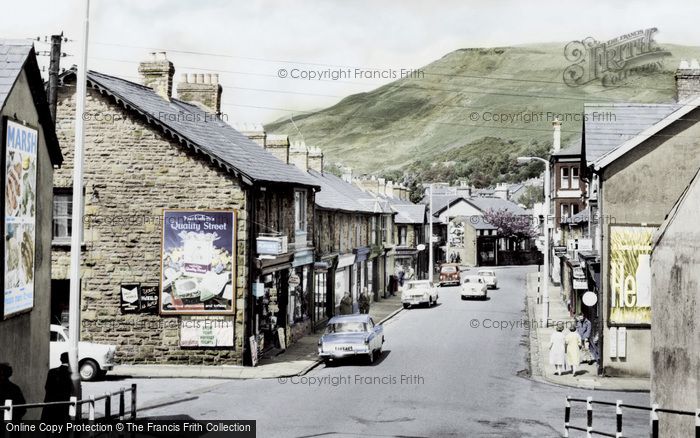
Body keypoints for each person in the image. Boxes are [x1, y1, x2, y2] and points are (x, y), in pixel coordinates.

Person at [41, 352, 73, 424]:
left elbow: (46, 387)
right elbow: (70, 390)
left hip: (50, 404)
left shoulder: (52, 371)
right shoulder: (70, 374)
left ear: (60, 359)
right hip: (63, 406)